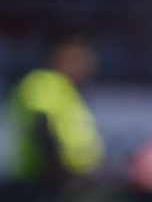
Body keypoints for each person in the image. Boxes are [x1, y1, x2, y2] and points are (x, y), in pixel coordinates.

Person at [7, 32, 104, 185]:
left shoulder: (69, 90)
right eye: (78, 58)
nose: (85, 64)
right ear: (58, 56)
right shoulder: (43, 82)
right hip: (43, 181)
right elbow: (40, 126)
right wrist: (59, 171)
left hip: (68, 182)